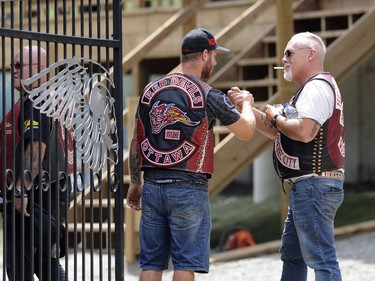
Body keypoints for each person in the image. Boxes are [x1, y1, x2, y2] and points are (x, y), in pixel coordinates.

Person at [126, 27, 256, 281]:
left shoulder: (150, 92)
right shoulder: (209, 94)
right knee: (184, 264)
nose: (216, 61)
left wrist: (135, 181)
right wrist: (248, 105)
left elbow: (136, 140)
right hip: (188, 187)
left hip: (152, 185)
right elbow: (246, 131)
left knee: (151, 263)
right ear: (205, 55)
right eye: (215, 56)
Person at [229, 32, 345, 281]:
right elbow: (276, 131)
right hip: (309, 185)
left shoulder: (316, 87)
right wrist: (248, 107)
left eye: (289, 53)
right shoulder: (311, 89)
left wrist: (276, 117)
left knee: (321, 259)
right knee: (293, 256)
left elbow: (303, 132)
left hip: (313, 184)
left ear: (311, 54)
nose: (284, 59)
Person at [0, 45, 71, 281]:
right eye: (13, 65)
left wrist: (21, 191)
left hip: (33, 199)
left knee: (20, 268)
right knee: (44, 263)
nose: (14, 69)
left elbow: (36, 148)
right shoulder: (46, 100)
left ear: (40, 69)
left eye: (20, 65)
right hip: (47, 196)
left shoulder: (36, 101)